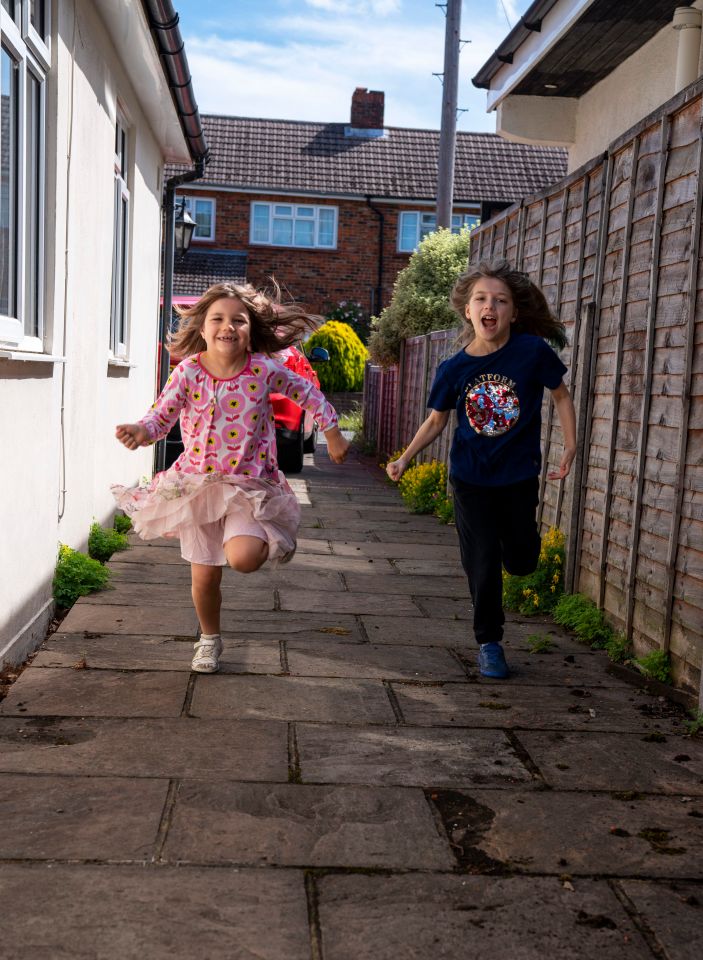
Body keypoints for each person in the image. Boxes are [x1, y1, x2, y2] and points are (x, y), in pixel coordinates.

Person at [113, 281, 349, 673]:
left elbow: (308, 393)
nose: (227, 327)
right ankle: (209, 640)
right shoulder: (188, 372)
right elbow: (161, 416)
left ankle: (273, 534)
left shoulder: (263, 369)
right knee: (204, 578)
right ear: (202, 329)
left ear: (250, 330)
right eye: (217, 319)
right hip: (197, 488)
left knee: (241, 559)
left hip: (248, 486)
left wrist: (333, 432)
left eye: (238, 320)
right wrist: (141, 431)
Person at [386, 260, 576, 680]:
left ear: (513, 312)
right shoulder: (454, 368)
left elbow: (560, 396)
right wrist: (405, 457)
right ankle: (489, 642)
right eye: (481, 299)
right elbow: (436, 420)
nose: (490, 306)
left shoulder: (531, 353)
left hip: (519, 475)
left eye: (501, 300)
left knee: (523, 561)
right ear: (468, 311)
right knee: (482, 560)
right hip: (470, 478)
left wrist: (571, 447)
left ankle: (520, 551)